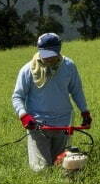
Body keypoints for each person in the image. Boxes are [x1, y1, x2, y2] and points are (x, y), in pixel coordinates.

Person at [12, 32, 92, 173]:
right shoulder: (28, 70)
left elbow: (76, 90)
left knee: (62, 165)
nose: (49, 58)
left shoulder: (68, 66)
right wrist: (24, 115)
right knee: (41, 169)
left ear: (59, 50)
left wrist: (84, 111)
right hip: (37, 125)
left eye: (52, 54)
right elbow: (17, 97)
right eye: (45, 54)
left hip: (63, 124)